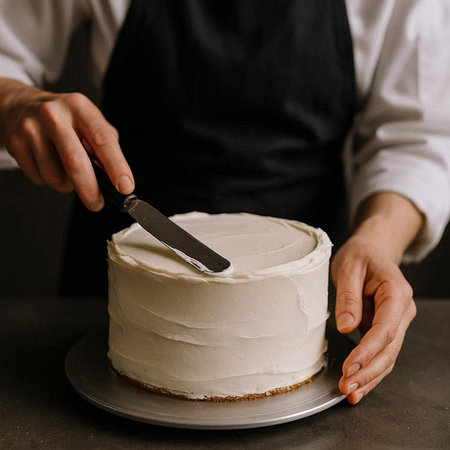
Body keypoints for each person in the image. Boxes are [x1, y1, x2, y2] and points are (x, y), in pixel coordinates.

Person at [0, 0, 449, 406]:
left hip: (311, 300)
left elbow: (418, 137)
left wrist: (378, 240)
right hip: (113, 270)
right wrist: (13, 101)